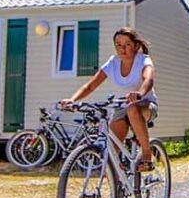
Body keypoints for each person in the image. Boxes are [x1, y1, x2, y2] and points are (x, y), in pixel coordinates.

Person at [60, 27, 158, 171]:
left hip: (145, 104)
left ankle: (147, 154)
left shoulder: (143, 60)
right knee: (111, 152)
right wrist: (72, 100)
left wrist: (139, 93)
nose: (122, 49)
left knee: (132, 108)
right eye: (118, 45)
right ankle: (118, 187)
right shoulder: (113, 62)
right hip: (122, 107)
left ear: (136, 46)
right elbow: (91, 85)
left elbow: (148, 79)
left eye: (127, 44)